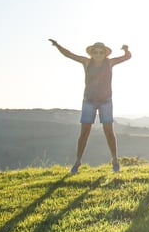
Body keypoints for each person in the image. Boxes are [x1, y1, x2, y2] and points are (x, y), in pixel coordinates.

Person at [48, 39, 131, 173]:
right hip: (89, 101)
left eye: (101, 52)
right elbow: (69, 54)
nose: (98, 54)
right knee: (84, 132)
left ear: (105, 54)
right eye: (95, 52)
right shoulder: (86, 62)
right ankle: (78, 161)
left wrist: (126, 49)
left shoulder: (109, 63)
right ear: (91, 53)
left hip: (105, 101)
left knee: (109, 131)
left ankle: (115, 160)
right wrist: (57, 45)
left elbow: (127, 57)